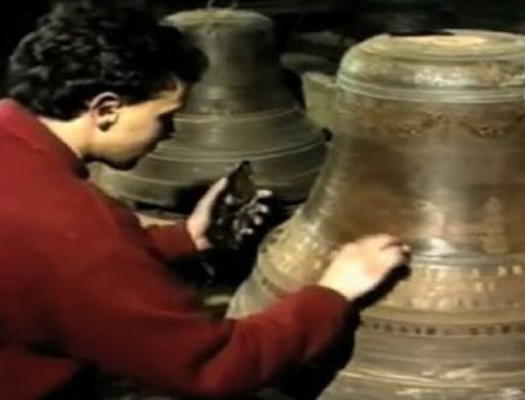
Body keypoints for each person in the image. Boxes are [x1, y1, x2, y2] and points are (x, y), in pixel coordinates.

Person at [0, 2, 409, 399]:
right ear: (107, 109)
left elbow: (39, 265)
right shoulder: (71, 225)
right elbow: (215, 366)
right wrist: (333, 291)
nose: (170, 131)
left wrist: (185, 239)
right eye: (164, 116)